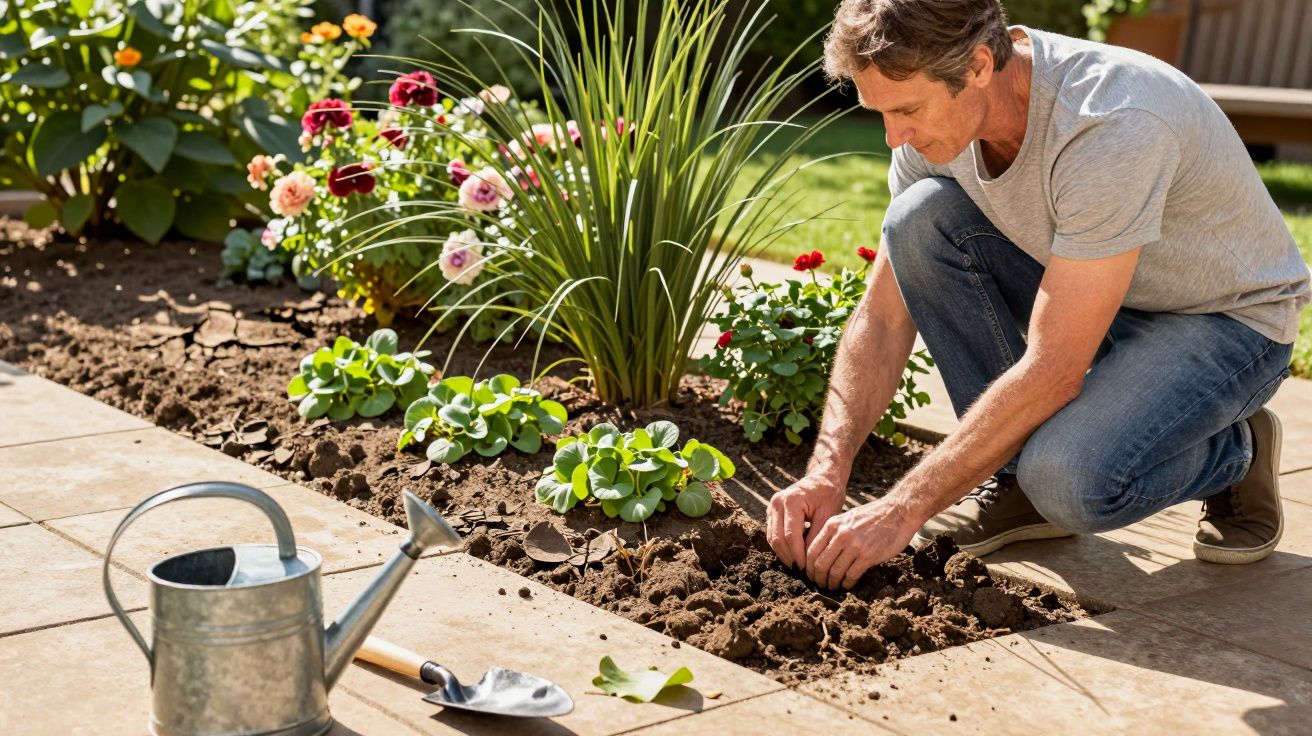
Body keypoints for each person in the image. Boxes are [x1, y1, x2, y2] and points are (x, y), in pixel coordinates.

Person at [765, 0, 1311, 590]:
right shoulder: (930, 126)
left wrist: (902, 510)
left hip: (1224, 321)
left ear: (977, 66)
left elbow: (1054, 370)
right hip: (1097, 294)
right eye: (881, 113)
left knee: (1070, 483)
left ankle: (1237, 454)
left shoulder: (1108, 120)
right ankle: (1014, 484)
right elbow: (883, 316)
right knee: (917, 221)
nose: (896, 136)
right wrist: (826, 470)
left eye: (907, 110)